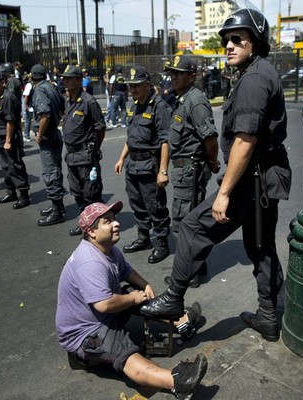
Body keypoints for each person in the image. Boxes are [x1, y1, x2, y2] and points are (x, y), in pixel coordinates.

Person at [140, 8, 292, 344]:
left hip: (252, 180)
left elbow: (245, 139)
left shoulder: (254, 79)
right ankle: (268, 316)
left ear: (256, 41)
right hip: (264, 179)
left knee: (194, 226)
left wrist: (224, 192)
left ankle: (174, 297)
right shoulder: (258, 72)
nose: (229, 45)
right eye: (227, 40)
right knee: (261, 246)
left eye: (238, 38)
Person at [55, 201, 207, 399]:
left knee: (132, 292)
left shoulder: (108, 249)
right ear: (91, 232)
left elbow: (125, 271)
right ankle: (178, 382)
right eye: (107, 222)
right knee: (123, 347)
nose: (116, 224)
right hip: (85, 334)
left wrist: (144, 286)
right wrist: (134, 298)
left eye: (114, 219)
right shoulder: (89, 262)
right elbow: (104, 304)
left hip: (103, 315)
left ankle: (181, 321)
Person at [162, 55, 221, 288]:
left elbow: (210, 138)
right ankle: (196, 265)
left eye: (178, 72)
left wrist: (211, 161)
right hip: (183, 170)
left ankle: (189, 273)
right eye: (172, 73)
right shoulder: (182, 99)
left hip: (190, 171)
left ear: (191, 75)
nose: (173, 76)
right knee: (188, 219)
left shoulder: (194, 101)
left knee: (185, 221)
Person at [114, 65, 172, 264]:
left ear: (148, 84)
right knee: (137, 204)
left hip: (150, 165)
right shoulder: (135, 106)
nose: (133, 90)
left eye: (137, 85)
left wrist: (163, 171)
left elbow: (166, 140)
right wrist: (122, 158)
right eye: (131, 86)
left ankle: (162, 243)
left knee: (155, 206)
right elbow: (131, 138)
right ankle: (144, 238)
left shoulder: (159, 107)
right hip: (133, 165)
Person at [60, 65, 106, 236]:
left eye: (69, 78)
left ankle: (99, 225)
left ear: (79, 80)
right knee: (77, 192)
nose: (65, 81)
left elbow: (100, 128)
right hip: (71, 156)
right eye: (64, 78)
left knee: (91, 194)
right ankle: (85, 224)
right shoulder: (68, 100)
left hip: (86, 156)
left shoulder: (89, 102)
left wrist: (94, 148)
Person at [0, 71, 30, 209]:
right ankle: (11, 192)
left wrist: (8, 140)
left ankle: (23, 195)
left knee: (15, 166)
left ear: (3, 82)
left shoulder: (8, 98)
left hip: (9, 136)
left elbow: (10, 121)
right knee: (6, 166)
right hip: (1, 136)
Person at [31, 64, 67, 225]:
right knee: (55, 170)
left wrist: (40, 134)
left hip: (48, 136)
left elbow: (44, 115)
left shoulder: (40, 90)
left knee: (50, 172)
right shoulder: (51, 87)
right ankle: (58, 205)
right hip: (54, 133)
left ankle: (57, 210)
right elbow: (61, 108)